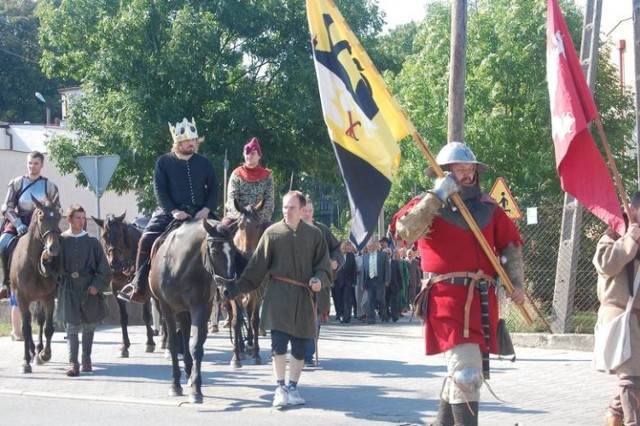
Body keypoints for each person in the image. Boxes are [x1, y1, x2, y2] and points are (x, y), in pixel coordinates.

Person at [390, 142, 525, 425]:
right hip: (447, 300)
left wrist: (517, 284)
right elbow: (406, 230)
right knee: (467, 374)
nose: (467, 175)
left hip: (483, 300)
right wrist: (438, 195)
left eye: (470, 170)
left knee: (464, 374)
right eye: (460, 170)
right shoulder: (427, 205)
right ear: (445, 172)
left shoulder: (488, 207)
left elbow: (511, 245)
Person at [236, 190, 332, 408]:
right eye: (285, 207)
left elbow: (323, 266)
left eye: (292, 208)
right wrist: (238, 287)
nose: (287, 211)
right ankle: (280, 388)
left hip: (304, 296)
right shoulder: (272, 233)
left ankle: (293, 388)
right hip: (278, 295)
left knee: (299, 346)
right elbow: (256, 267)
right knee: (278, 344)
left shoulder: (314, 235)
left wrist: (319, 279)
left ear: (301, 210)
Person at [119, 117, 219, 303]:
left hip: (201, 213)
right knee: (146, 239)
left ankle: (230, 285)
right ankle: (138, 286)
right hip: (171, 213)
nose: (191, 144)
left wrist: (206, 209)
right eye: (187, 141)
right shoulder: (163, 162)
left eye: (193, 140)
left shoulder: (204, 163)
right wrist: (173, 211)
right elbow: (160, 189)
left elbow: (214, 188)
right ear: (178, 142)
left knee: (224, 236)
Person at [593, 191, 640, 426]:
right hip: (622, 314)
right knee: (631, 378)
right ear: (633, 210)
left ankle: (615, 411)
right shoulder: (614, 232)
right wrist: (629, 239)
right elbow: (605, 265)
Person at [57, 204, 112, 376]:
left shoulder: (92, 242)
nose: (81, 221)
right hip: (68, 288)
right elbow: (51, 268)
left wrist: (97, 285)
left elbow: (105, 270)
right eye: (78, 218)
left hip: (89, 288)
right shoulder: (60, 240)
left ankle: (86, 359)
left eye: (83, 217)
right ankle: (73, 363)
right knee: (71, 327)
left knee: (89, 326)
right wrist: (45, 259)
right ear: (69, 220)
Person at [0, 151, 60, 299]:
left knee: (61, 243)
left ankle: (60, 278)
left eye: (36, 163)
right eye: (30, 163)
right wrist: (18, 223)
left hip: (43, 223)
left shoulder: (49, 185)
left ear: (42, 165)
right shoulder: (17, 183)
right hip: (20, 221)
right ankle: (5, 281)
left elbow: (57, 208)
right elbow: (7, 207)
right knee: (2, 244)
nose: (32, 166)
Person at [301, 197, 343, 367]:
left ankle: (307, 355)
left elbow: (337, 249)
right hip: (296, 283)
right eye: (304, 211)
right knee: (294, 320)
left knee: (315, 321)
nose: (307, 214)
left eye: (310, 211)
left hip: (319, 283)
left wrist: (336, 261)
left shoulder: (322, 230)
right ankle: (295, 350)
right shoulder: (290, 229)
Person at [222, 136, 275, 228]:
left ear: (259, 156)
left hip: (260, 219)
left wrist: (256, 218)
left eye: (253, 153)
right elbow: (231, 199)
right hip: (237, 217)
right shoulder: (236, 174)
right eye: (247, 153)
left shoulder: (267, 176)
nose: (249, 156)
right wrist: (241, 216)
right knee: (221, 229)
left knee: (274, 236)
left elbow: (269, 200)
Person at [361, 238, 390, 324]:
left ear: (375, 246)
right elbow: (364, 271)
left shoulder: (383, 255)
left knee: (380, 298)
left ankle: (384, 314)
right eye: (368, 246)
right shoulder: (365, 256)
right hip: (369, 281)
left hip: (380, 281)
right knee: (370, 300)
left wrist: (387, 280)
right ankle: (371, 318)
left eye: (370, 246)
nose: (368, 248)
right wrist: (363, 283)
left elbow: (387, 269)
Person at [334, 241, 357, 323]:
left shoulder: (351, 256)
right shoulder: (336, 256)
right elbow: (332, 270)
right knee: (339, 300)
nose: (345, 250)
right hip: (337, 281)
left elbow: (354, 269)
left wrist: (354, 281)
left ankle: (347, 317)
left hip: (348, 282)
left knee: (347, 299)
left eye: (346, 248)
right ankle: (341, 314)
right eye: (343, 248)